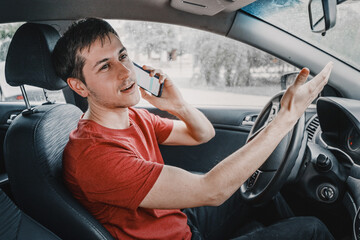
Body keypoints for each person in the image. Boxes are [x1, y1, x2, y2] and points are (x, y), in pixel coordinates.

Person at [52, 18, 335, 240]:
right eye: (105, 67)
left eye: (123, 56)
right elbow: (212, 191)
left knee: (260, 193)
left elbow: (202, 134)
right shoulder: (94, 156)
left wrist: (178, 104)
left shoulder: (134, 118)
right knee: (311, 229)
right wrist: (285, 119)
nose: (126, 72)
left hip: (182, 223)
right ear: (78, 86)